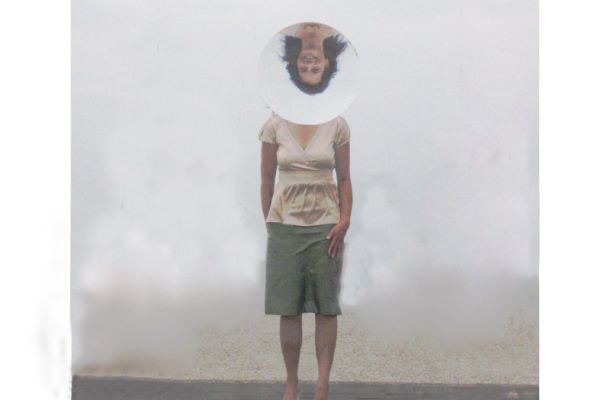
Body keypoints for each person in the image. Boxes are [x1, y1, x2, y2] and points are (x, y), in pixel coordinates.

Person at [259, 111, 352, 400]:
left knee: (326, 306)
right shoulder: (274, 125)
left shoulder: (336, 124)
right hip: (284, 223)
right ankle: (292, 383)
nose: (310, 64)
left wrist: (345, 220)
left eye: (316, 61)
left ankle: (322, 384)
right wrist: (271, 223)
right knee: (288, 307)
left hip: (327, 225)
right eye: (304, 60)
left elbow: (344, 178)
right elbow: (266, 179)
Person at [280, 22, 348, 95]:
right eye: (316, 69)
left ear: (296, 63)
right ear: (327, 64)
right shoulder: (344, 27)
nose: (309, 64)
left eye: (303, 69)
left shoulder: (282, 26)